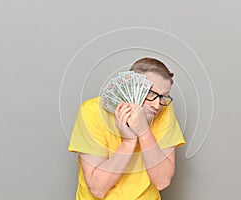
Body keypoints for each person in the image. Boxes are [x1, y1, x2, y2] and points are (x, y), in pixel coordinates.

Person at [68, 57, 185, 200]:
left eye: (163, 96)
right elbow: (97, 188)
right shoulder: (91, 112)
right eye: (151, 93)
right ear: (129, 87)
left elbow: (162, 181)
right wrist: (129, 141)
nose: (157, 105)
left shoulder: (164, 109)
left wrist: (143, 132)